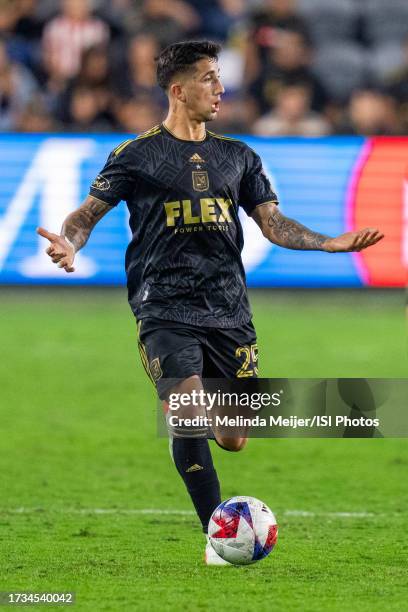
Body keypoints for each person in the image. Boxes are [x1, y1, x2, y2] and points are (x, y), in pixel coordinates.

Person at [36, 40, 384, 565]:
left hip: (228, 312)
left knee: (235, 435)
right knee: (188, 409)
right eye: (208, 78)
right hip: (163, 307)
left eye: (220, 78)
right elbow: (84, 216)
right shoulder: (136, 155)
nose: (220, 88)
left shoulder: (239, 157)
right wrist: (71, 243)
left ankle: (220, 510)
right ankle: (219, 533)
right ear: (178, 90)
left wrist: (328, 242)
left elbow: (274, 224)